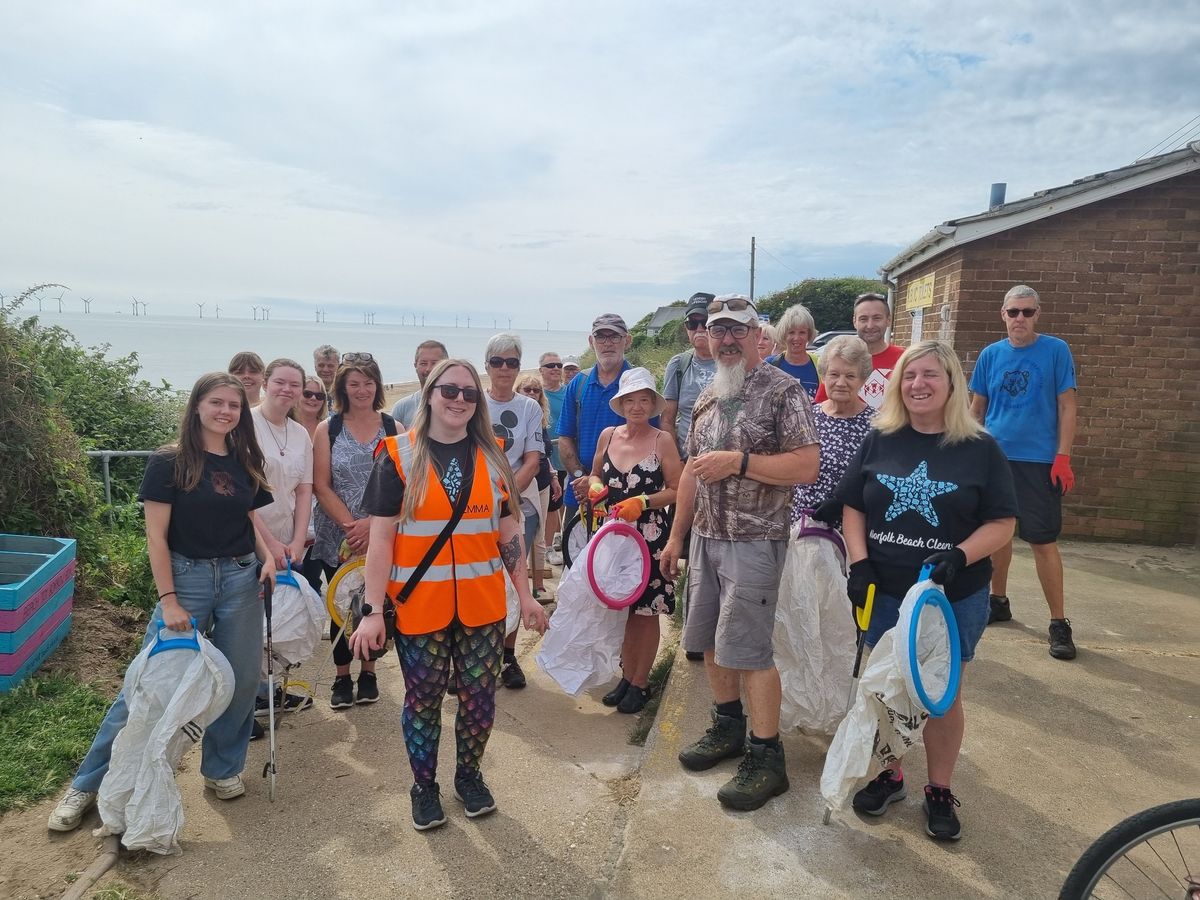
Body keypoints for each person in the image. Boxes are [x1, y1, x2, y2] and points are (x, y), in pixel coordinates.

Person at [49, 373, 276, 832]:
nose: (226, 411)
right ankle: (87, 784)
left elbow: (249, 518)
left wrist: (269, 557)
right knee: (147, 685)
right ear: (197, 406)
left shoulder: (246, 460)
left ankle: (222, 770)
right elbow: (155, 536)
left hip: (239, 578)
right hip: (186, 579)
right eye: (217, 402)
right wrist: (169, 599)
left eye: (234, 404)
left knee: (242, 679)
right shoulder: (170, 462)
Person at [350, 358, 549, 830]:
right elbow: (381, 541)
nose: (459, 399)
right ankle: (424, 787)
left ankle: (469, 777)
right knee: (423, 701)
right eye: (449, 390)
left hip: (483, 608)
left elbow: (509, 535)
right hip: (421, 607)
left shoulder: (495, 456)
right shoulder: (396, 456)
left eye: (468, 393)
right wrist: (372, 610)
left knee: (480, 700)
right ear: (430, 394)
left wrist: (525, 596)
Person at [834, 340, 1017, 841]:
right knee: (887, 692)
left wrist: (961, 555)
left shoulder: (981, 448)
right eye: (910, 375)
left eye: (931, 375)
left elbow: (1002, 522)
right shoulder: (880, 438)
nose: (918, 384)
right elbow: (854, 506)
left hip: (950, 597)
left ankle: (938, 788)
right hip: (886, 590)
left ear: (952, 383)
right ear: (898, 383)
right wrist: (860, 563)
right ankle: (890, 775)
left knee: (941, 693)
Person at [660, 294, 819, 812]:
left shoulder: (784, 391)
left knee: (750, 652)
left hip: (756, 539)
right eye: (717, 331)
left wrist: (741, 462)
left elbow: (804, 467)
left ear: (757, 336)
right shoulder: (707, 393)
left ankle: (767, 757)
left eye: (737, 331)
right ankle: (728, 728)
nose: (726, 339)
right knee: (708, 641)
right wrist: (676, 536)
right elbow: (690, 470)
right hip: (706, 536)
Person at [968, 285, 1079, 660]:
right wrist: (966, 451)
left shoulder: (1055, 351)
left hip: (1039, 461)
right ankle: (998, 601)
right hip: (995, 458)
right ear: (1003, 314)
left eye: (1027, 312)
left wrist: (1062, 456)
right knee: (998, 536)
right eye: (1014, 312)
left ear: (1038, 313)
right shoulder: (990, 355)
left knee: (1042, 540)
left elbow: (1067, 407)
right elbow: (976, 410)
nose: (1020, 319)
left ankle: (1059, 623)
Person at [308, 353, 397, 709]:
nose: (362, 390)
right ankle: (342, 677)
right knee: (341, 606)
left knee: (374, 603)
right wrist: (352, 526)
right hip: (339, 534)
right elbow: (321, 484)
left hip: (383, 532)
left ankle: (369, 672)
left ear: (377, 386)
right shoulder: (327, 428)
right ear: (343, 386)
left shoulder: (394, 428)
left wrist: (371, 524)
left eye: (368, 383)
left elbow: (405, 486)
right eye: (354, 383)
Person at [592, 368, 682, 714]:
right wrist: (596, 487)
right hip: (615, 537)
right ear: (622, 403)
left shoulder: (663, 440)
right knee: (622, 610)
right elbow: (596, 472)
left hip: (650, 536)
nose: (638, 406)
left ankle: (641, 682)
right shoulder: (608, 435)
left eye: (645, 399)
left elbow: (676, 489)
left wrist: (643, 501)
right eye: (631, 399)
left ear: (653, 404)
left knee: (646, 612)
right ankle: (627, 677)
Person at [250, 359, 316, 722]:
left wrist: (296, 538)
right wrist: (270, 546)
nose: (287, 390)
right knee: (252, 620)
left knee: (281, 619)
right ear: (265, 382)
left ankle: (271, 690)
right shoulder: (247, 424)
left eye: (295, 385)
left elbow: (304, 490)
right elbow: (242, 495)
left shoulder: (300, 433)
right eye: (280, 382)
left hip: (288, 538)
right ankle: (253, 696)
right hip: (251, 537)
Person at [482, 334, 544, 688]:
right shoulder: (473, 403)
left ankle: (507, 657)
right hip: (474, 511)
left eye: (512, 363)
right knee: (479, 581)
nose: (505, 369)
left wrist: (503, 499)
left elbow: (532, 460)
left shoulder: (529, 408)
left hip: (517, 507)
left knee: (514, 577)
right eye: (498, 362)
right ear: (487, 365)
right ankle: (474, 657)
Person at [558, 314, 656, 516]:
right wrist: (581, 477)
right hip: (580, 493)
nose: (607, 343)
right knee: (576, 548)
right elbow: (565, 437)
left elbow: (652, 441)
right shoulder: (578, 384)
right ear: (591, 341)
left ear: (627, 341)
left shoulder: (639, 386)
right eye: (600, 337)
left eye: (615, 337)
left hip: (626, 497)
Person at [794, 336, 876, 524]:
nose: (841, 382)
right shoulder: (806, 416)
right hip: (800, 526)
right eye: (834, 374)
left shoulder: (876, 425)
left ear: (863, 380)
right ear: (823, 376)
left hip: (847, 531)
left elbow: (880, 484)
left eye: (850, 376)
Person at [814, 292, 906, 409]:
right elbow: (822, 407)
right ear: (854, 321)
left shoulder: (904, 359)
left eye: (877, 318)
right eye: (863, 319)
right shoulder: (838, 359)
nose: (870, 325)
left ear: (888, 320)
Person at [516, 372, 561, 600]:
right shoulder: (513, 418)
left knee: (539, 535)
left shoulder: (539, 419)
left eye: (536, 390)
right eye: (528, 390)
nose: (533, 394)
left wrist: (553, 477)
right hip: (521, 485)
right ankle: (519, 587)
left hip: (542, 481)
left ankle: (539, 586)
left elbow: (544, 453)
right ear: (518, 391)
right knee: (519, 535)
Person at [662, 293, 717, 461]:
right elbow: (667, 420)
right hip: (687, 464)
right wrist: (675, 462)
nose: (699, 329)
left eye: (705, 322)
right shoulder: (679, 364)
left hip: (726, 467)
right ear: (686, 328)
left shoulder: (735, 363)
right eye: (692, 323)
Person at [539, 352, 569, 565]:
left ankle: (554, 539)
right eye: (550, 365)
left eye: (559, 365)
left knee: (561, 500)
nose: (556, 369)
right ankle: (544, 545)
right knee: (547, 503)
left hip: (565, 456)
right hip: (543, 457)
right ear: (541, 369)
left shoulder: (568, 392)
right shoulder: (536, 393)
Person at [767, 304, 821, 399]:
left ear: (809, 334)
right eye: (791, 332)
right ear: (784, 334)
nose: (796, 338)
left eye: (802, 332)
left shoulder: (820, 365)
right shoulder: (770, 364)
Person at [392, 340, 449, 428]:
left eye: (435, 363)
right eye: (423, 363)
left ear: (446, 366)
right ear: (415, 366)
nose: (428, 369)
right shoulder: (402, 408)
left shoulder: (457, 405)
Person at [295, 376, 329, 443]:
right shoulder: (284, 423)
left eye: (319, 396)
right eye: (307, 394)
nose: (313, 398)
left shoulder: (330, 428)